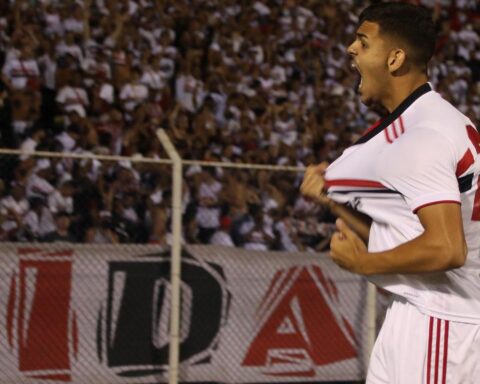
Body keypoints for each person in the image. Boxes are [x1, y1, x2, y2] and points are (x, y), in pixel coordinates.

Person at [300, 3, 480, 383]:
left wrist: (364, 265)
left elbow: (446, 248)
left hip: (443, 323)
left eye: (363, 43)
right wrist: (332, 201)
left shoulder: (423, 137)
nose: (350, 49)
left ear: (395, 58)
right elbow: (411, 239)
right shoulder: (429, 122)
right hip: (421, 313)